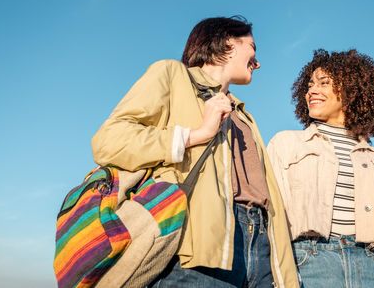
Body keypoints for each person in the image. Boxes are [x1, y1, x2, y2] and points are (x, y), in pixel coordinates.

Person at [91, 16, 299, 288]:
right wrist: (195, 135)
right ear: (227, 43)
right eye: (252, 48)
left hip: (260, 249)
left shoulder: (244, 114)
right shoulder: (172, 74)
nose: (257, 62)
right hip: (197, 248)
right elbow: (109, 140)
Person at [267, 49, 374, 288]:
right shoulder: (286, 143)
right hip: (309, 264)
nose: (312, 90)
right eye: (309, 85)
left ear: (351, 90)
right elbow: (272, 218)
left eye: (324, 83)